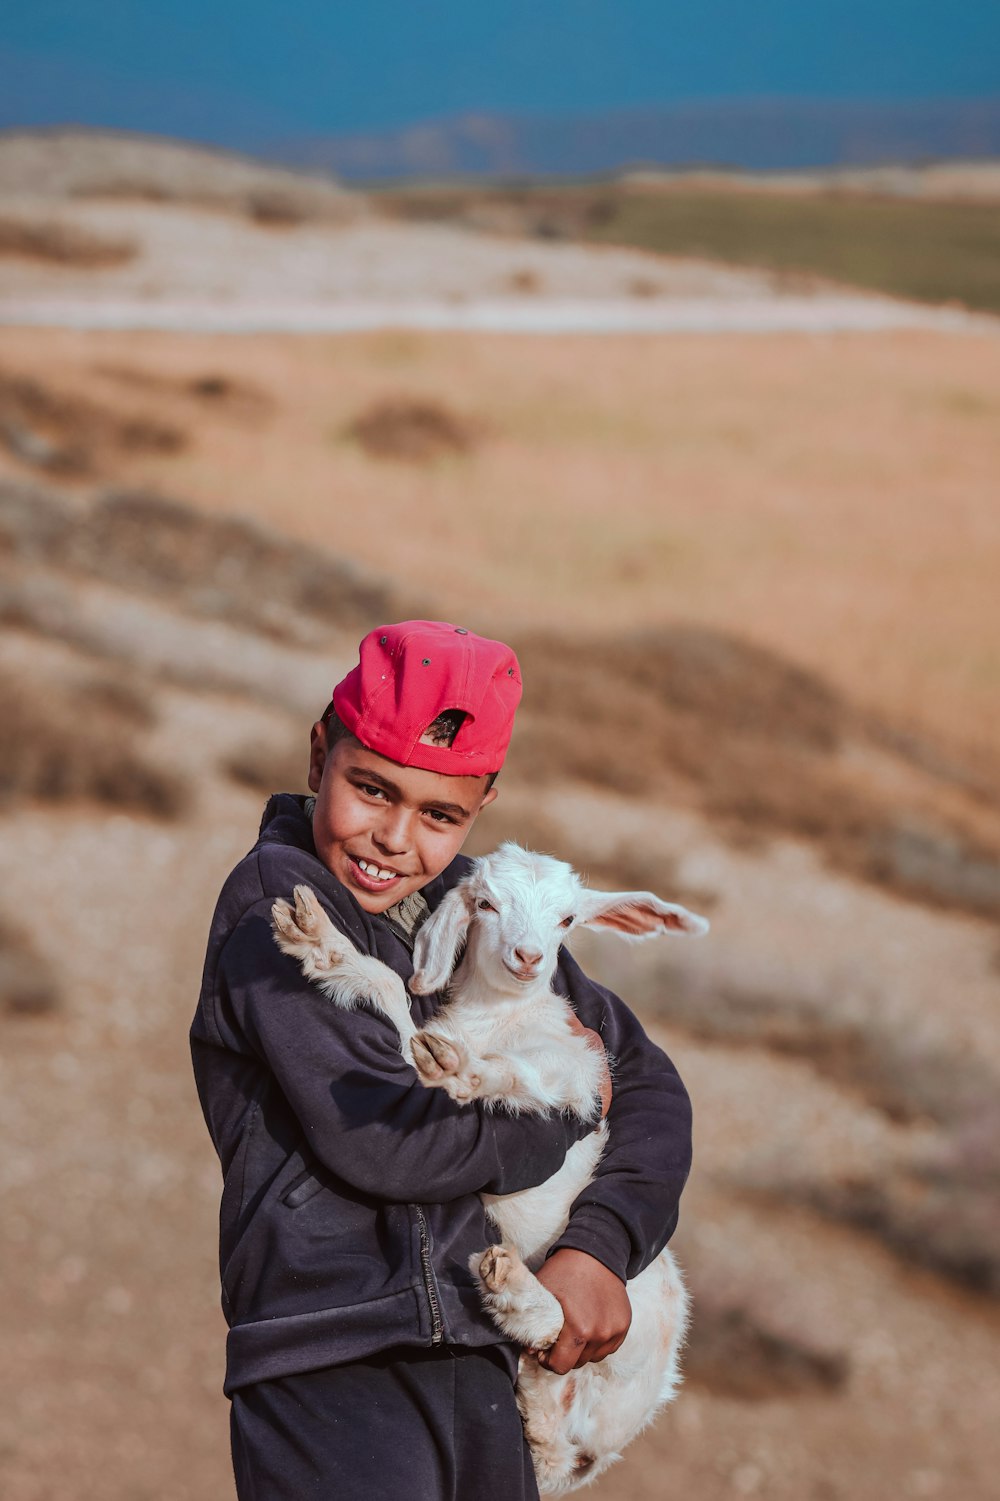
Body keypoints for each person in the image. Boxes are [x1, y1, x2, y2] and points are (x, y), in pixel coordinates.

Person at [190, 619, 692, 1501]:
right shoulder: (280, 909)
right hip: (331, 1350)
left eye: (439, 815)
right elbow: (384, 1138)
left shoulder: (476, 918)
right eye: (372, 789)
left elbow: (648, 1087)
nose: (395, 837)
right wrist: (567, 1107)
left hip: (476, 1345)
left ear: (481, 806)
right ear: (319, 757)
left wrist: (602, 1246)